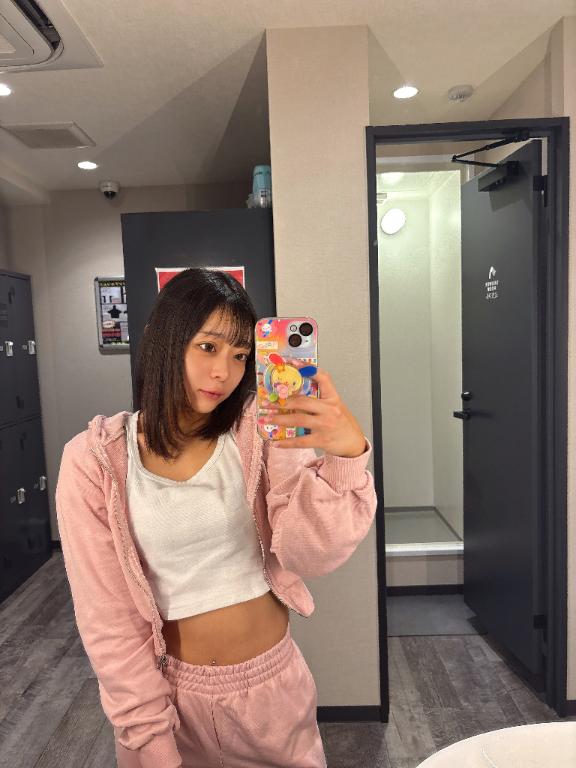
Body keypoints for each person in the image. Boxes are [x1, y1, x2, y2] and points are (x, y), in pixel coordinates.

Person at [55, 267, 377, 768]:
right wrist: (150, 740)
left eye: (241, 355)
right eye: (208, 347)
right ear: (162, 340)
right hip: (171, 703)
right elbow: (108, 621)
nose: (224, 372)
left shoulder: (260, 428)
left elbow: (309, 553)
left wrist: (347, 454)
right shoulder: (95, 461)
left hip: (274, 691)